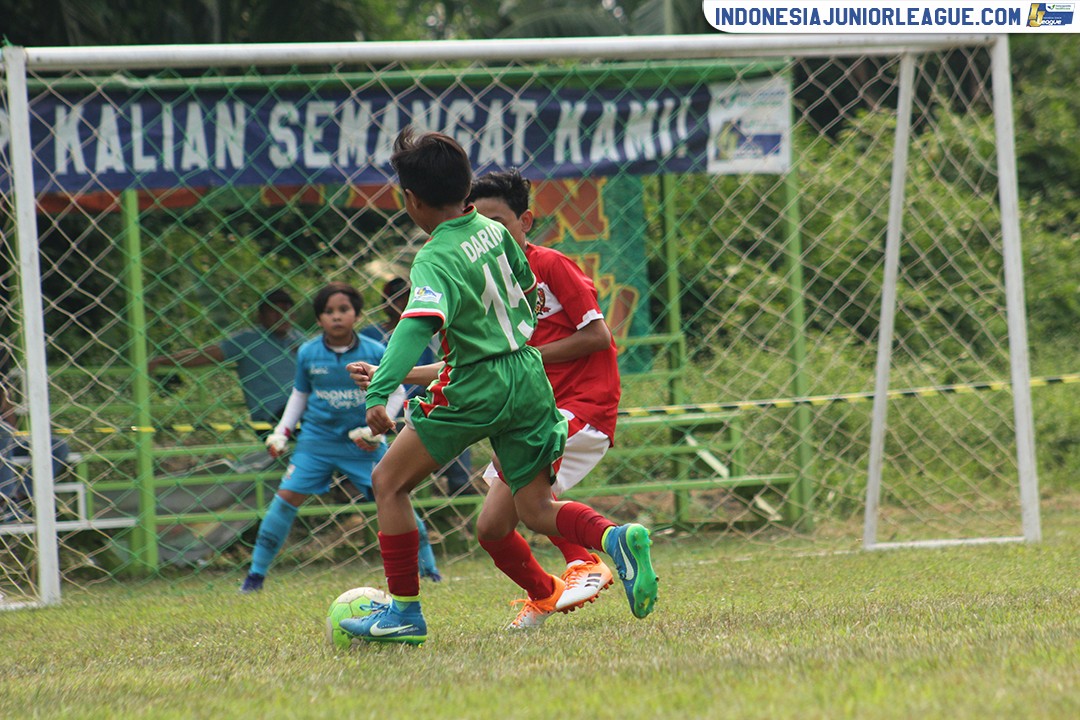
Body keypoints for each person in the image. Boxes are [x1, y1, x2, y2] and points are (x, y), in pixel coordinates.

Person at [338, 128, 657, 646]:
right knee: (533, 510)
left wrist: (379, 395)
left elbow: (415, 326)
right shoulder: (494, 231)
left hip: (477, 385)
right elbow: (526, 290)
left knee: (389, 483)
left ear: (411, 200)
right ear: (466, 189)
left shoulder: (434, 257)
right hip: (528, 379)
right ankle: (613, 537)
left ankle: (403, 613)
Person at [468, 168, 622, 627]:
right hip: (532, 412)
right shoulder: (482, 283)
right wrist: (398, 376)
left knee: (526, 503)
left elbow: (598, 336)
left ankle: (588, 560)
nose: (489, 233)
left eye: (498, 221)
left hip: (582, 405)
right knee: (492, 528)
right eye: (477, 223)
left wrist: (525, 354)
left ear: (525, 221)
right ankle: (545, 592)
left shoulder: (550, 265)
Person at [238, 282, 439, 594]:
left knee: (395, 496)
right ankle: (255, 576)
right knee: (285, 499)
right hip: (316, 443)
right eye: (328, 311)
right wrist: (281, 433)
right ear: (319, 319)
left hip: (363, 444)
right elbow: (300, 395)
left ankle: (429, 570)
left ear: (356, 314)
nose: (336, 317)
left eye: (343, 310)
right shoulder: (308, 352)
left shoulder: (374, 351)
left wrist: (376, 430)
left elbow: (397, 390)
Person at [361, 277, 475, 496]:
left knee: (457, 420)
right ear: (386, 302)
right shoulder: (370, 335)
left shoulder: (424, 331)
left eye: (406, 297)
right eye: (397, 298)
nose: (403, 303)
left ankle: (459, 485)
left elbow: (431, 373)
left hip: (414, 402)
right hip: (376, 404)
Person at [148, 288, 302, 434]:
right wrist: (162, 361)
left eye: (287, 310)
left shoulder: (299, 339)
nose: (282, 315)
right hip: (274, 417)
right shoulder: (248, 340)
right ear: (260, 316)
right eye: (274, 310)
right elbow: (204, 355)